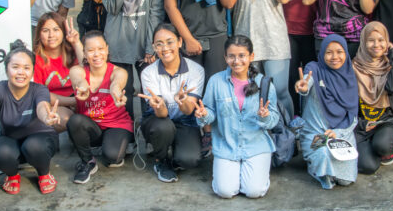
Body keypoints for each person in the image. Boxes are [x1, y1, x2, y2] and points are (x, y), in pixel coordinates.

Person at [195, 35, 280, 199]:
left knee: (254, 191)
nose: (236, 61)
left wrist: (265, 116)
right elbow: (209, 113)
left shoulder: (264, 83)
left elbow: (274, 119)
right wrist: (204, 115)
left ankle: (252, 175)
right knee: (225, 191)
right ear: (225, 57)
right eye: (231, 56)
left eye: (242, 56)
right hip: (227, 146)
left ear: (251, 56)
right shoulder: (216, 81)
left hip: (256, 146)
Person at [0, 40, 63, 195]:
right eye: (15, 67)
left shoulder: (39, 89)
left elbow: (42, 106)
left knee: (34, 146)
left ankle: (44, 173)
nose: (21, 72)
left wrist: (46, 117)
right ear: (6, 69)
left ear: (32, 71)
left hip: (40, 141)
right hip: (11, 140)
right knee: (1, 152)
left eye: (26, 68)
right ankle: (12, 175)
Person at [102, 0, 165, 113]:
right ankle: (126, 127)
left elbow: (156, 10)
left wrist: (151, 45)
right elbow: (112, 8)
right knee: (123, 89)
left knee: (149, 88)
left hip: (144, 36)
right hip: (118, 37)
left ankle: (149, 126)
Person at [232, 0, 294, 115]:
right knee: (252, 93)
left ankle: (288, 128)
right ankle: (260, 128)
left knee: (280, 90)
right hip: (247, 43)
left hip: (274, 41)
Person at [138, 24, 207, 183]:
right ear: (154, 47)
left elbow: (188, 110)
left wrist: (183, 101)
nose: (165, 48)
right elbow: (161, 114)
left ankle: (175, 152)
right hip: (158, 120)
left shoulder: (196, 70)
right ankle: (161, 160)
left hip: (185, 119)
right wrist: (159, 105)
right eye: (159, 44)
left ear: (180, 42)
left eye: (170, 42)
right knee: (164, 127)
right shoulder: (148, 72)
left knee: (189, 160)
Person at [66, 31, 133, 183]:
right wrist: (83, 86)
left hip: (116, 124)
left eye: (101, 49)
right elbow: (78, 80)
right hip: (91, 127)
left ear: (107, 49)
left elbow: (117, 82)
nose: (97, 54)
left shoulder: (118, 71)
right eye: (91, 50)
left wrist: (116, 91)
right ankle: (88, 161)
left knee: (113, 158)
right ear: (84, 53)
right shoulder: (78, 70)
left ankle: (109, 146)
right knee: (75, 121)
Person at [295, 34, 359, 189]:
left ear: (346, 53)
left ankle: (325, 169)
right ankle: (314, 167)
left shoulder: (349, 76)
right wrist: (303, 86)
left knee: (345, 180)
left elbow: (352, 116)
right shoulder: (315, 68)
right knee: (323, 155)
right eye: (329, 52)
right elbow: (307, 81)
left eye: (339, 52)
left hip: (341, 133)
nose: (334, 57)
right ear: (322, 53)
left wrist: (338, 132)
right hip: (316, 133)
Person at [353, 22, 393, 174]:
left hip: (386, 121)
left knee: (383, 146)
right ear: (363, 42)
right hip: (362, 125)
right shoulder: (353, 67)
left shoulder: (389, 66)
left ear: (387, 42)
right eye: (371, 40)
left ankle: (386, 147)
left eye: (381, 40)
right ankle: (371, 145)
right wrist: (362, 124)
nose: (376, 45)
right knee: (368, 166)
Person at [31, 12, 84, 128]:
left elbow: (88, 71)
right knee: (67, 119)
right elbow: (40, 94)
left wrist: (76, 42)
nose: (51, 35)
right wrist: (74, 101)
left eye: (56, 30)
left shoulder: (74, 52)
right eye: (45, 30)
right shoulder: (36, 59)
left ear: (63, 32)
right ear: (39, 34)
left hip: (81, 99)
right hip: (55, 105)